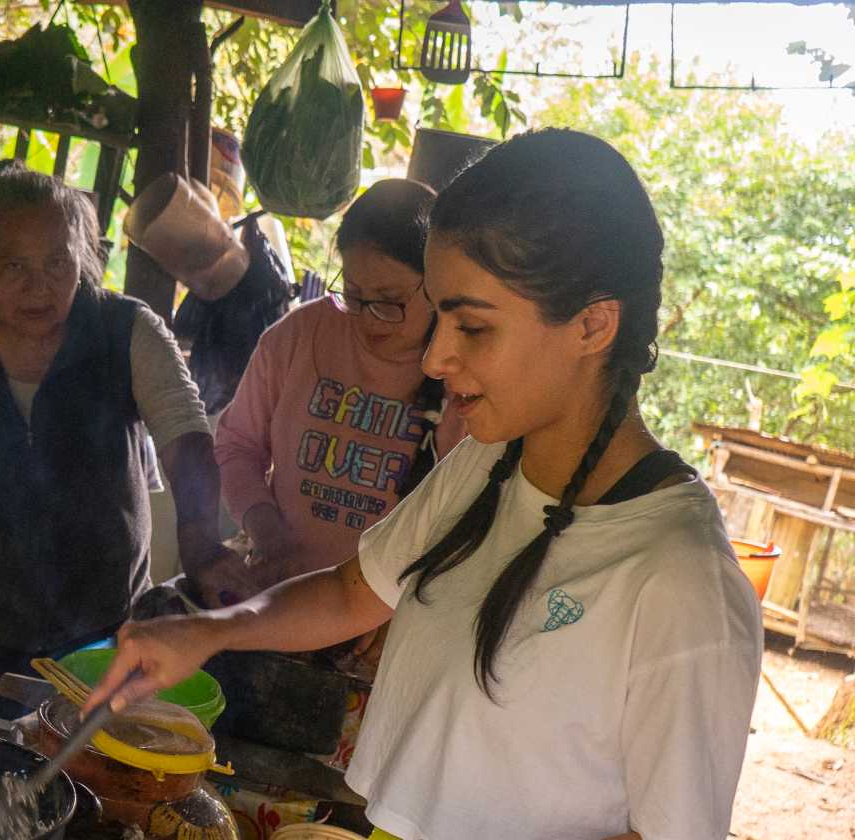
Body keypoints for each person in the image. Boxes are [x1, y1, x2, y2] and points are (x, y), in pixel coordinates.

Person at [91, 130, 761, 839]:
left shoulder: (683, 584)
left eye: (472, 326)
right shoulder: (487, 465)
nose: (437, 356)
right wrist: (207, 633)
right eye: (438, 315)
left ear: (593, 325)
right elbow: (355, 590)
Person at [0, 160, 229, 718]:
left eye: (57, 263)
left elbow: (187, 441)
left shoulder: (128, 330)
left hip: (99, 631)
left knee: (75, 779)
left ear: (84, 256)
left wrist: (201, 548)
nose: (39, 287)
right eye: (14, 266)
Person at [201, 179, 465, 607]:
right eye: (355, 295)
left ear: (438, 286)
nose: (368, 318)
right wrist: (266, 528)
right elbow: (236, 446)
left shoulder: (463, 375)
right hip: (281, 597)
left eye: (389, 300)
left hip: (383, 620)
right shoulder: (299, 336)